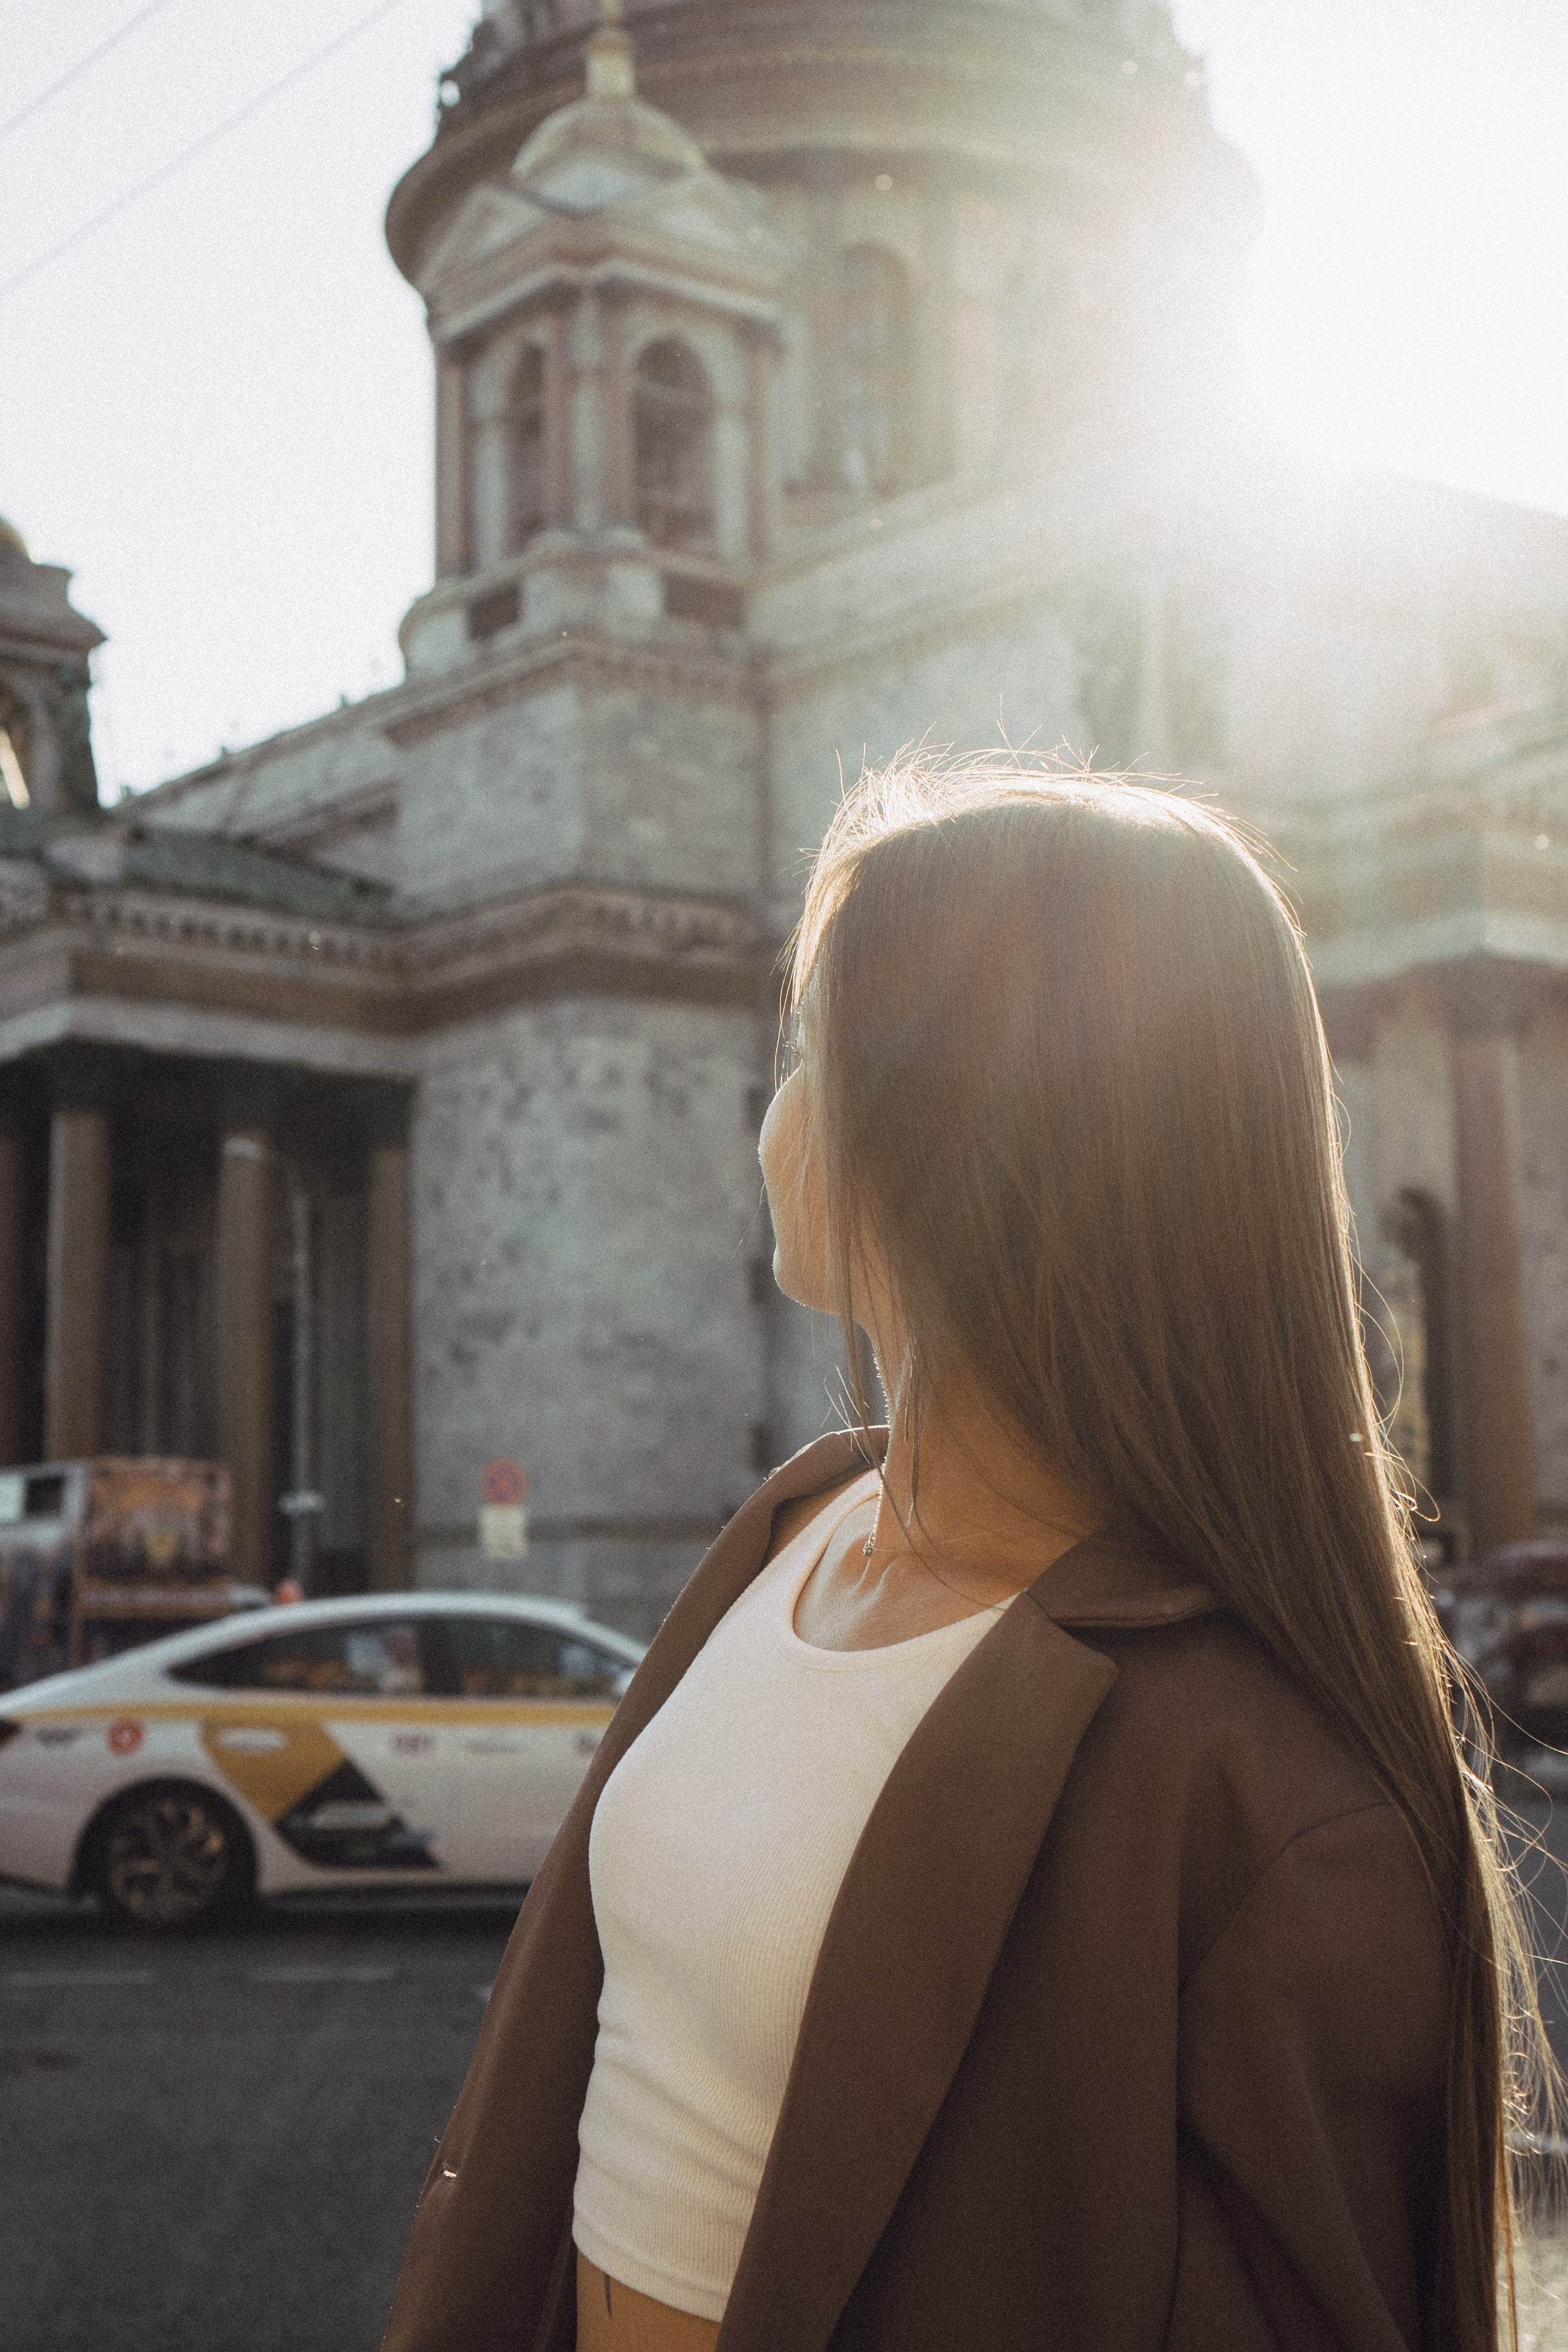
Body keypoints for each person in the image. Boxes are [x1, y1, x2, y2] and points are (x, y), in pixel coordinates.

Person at [382, 766, 1551, 2352]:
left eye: (810, 1053)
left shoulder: (1264, 1792)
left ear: (973, 1127)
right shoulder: (797, 1529)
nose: (772, 1120)